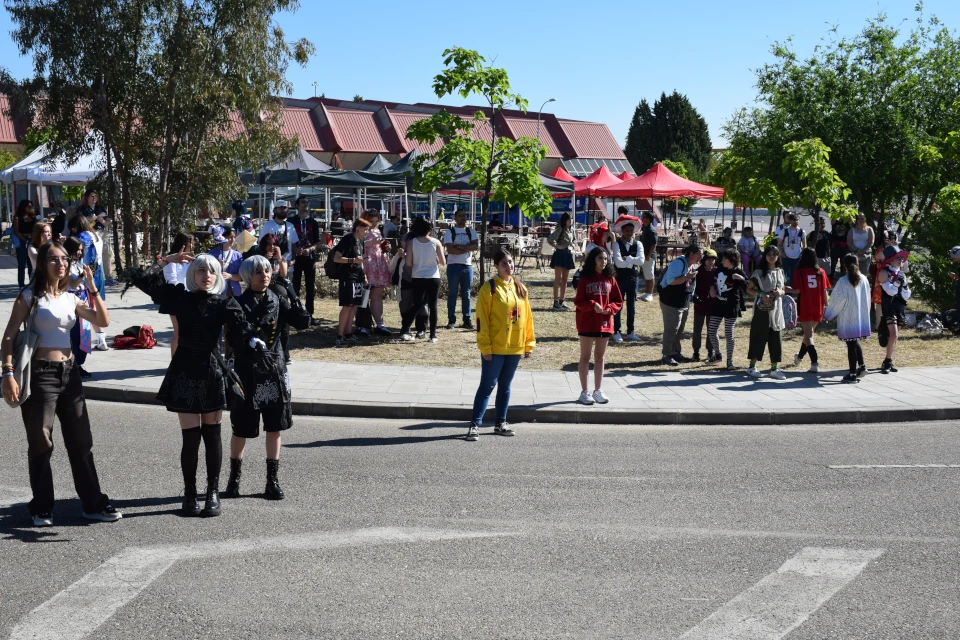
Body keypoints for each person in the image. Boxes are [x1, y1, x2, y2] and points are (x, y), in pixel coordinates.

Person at [1, 241, 120, 526]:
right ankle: (42, 506)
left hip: (70, 374)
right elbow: (8, 337)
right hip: (40, 374)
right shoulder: (30, 297)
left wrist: (92, 288)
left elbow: (102, 320)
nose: (61, 264)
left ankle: (93, 504)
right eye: (54, 260)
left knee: (81, 442)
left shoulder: (70, 297)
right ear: (43, 264)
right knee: (41, 442)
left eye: (64, 259)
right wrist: (7, 373)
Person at [131, 251, 249, 517]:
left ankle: (213, 493)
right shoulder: (179, 298)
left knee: (213, 435)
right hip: (184, 370)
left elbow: (243, 335)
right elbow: (142, 278)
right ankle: (189, 494)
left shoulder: (224, 304)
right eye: (200, 270)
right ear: (192, 274)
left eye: (211, 271)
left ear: (217, 275)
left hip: (211, 371)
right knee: (190, 439)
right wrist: (168, 259)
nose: (206, 276)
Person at [223, 255, 310, 500]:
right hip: (247, 373)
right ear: (249, 276)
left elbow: (304, 322)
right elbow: (234, 339)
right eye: (260, 272)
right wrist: (250, 343)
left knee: (275, 427)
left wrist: (293, 293)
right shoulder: (237, 303)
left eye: (268, 271)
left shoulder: (278, 299)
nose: (266, 276)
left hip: (274, 372)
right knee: (241, 429)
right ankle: (234, 481)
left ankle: (272, 481)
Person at [466, 250, 535, 441]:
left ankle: (501, 422)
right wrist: (485, 347)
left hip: (515, 347)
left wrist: (529, 343)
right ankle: (474, 425)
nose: (509, 266)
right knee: (487, 385)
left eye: (511, 262)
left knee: (505, 386)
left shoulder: (520, 288)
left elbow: (527, 318)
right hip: (495, 347)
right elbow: (482, 320)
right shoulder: (489, 288)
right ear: (496, 265)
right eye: (504, 263)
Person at [574, 247, 622, 405]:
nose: (604, 262)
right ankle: (584, 392)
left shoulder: (611, 278)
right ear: (593, 259)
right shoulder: (585, 278)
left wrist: (611, 309)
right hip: (587, 321)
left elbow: (618, 301)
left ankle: (598, 390)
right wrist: (592, 305)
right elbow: (579, 301)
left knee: (600, 357)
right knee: (585, 356)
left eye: (606, 259)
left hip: (605, 323)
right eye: (600, 258)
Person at [823, 254, 871, 383]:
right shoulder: (864, 279)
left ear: (844, 265)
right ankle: (862, 366)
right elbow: (868, 299)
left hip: (848, 317)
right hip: (861, 316)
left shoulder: (843, 281)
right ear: (858, 264)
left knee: (851, 344)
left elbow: (837, 301)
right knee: (854, 341)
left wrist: (828, 313)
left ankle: (852, 373)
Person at [66, 214, 108, 351]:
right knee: (94, 307)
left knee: (89, 310)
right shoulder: (94, 235)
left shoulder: (83, 237)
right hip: (98, 273)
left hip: (87, 275)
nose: (72, 232)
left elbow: (78, 252)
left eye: (72, 229)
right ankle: (101, 340)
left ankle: (99, 340)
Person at [400, 217, 445, 343]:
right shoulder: (436, 242)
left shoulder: (411, 242)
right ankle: (433, 335)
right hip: (433, 276)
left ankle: (405, 328)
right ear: (429, 229)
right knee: (433, 305)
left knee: (417, 304)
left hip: (418, 276)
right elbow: (443, 262)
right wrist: (434, 258)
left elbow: (408, 263)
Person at [746, 246, 787, 379]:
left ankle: (774, 368)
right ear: (765, 256)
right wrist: (761, 294)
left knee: (776, 338)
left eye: (775, 254)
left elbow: (783, 288)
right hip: (762, 310)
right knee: (759, 336)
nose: (772, 256)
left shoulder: (780, 271)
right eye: (769, 254)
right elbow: (749, 289)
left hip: (776, 310)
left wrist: (780, 292)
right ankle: (752, 367)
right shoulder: (758, 272)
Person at [659, 244, 702, 366]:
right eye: (699, 254)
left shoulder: (692, 266)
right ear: (692, 254)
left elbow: (690, 286)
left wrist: (693, 297)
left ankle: (675, 353)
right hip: (670, 302)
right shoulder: (678, 264)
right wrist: (686, 277)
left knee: (679, 330)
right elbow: (670, 281)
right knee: (671, 330)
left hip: (683, 302)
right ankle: (666, 355)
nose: (701, 256)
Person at [332, 219, 370, 347]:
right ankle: (340, 335)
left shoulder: (361, 241)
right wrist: (352, 260)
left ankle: (348, 333)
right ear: (358, 228)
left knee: (354, 306)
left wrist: (364, 275)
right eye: (365, 229)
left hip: (358, 277)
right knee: (347, 305)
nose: (367, 232)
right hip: (347, 277)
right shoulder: (347, 239)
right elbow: (336, 258)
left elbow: (361, 259)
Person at [790, 248, 829, 373]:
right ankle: (799, 357)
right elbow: (825, 291)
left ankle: (814, 362)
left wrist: (786, 289)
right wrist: (826, 306)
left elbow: (797, 290)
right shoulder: (821, 272)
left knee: (809, 335)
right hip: (818, 306)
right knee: (808, 334)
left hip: (805, 305)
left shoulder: (800, 272)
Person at [708, 250, 747, 370]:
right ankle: (717, 354)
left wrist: (741, 279)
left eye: (725, 258)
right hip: (718, 304)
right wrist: (712, 288)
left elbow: (749, 287)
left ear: (732, 260)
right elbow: (714, 281)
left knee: (729, 333)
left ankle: (730, 362)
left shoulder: (738, 272)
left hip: (731, 305)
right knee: (711, 330)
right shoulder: (720, 268)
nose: (722, 260)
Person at [356, 209, 392, 336]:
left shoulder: (378, 230)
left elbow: (380, 246)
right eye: (372, 221)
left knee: (377, 297)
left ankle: (380, 324)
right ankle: (362, 325)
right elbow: (355, 244)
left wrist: (386, 247)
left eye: (377, 221)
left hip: (378, 265)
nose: (374, 224)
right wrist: (371, 243)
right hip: (366, 264)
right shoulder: (359, 229)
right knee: (364, 296)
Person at [62, 237, 94, 379]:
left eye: (81, 250)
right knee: (75, 336)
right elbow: (73, 284)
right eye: (78, 250)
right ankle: (73, 366)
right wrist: (82, 275)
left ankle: (79, 364)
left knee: (84, 334)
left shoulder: (77, 263)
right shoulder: (65, 264)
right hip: (72, 302)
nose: (80, 252)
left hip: (83, 300)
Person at [877, 245, 911, 374]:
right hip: (889, 307)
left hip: (900, 307)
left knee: (895, 336)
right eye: (898, 258)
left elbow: (906, 295)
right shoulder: (884, 272)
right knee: (894, 334)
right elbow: (890, 292)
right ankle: (887, 361)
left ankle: (888, 360)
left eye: (902, 259)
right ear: (891, 260)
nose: (901, 261)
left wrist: (905, 286)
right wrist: (897, 283)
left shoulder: (901, 274)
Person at [443, 208, 479, 330]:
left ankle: (467, 319)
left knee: (467, 294)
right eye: (460, 216)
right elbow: (450, 250)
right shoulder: (449, 232)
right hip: (453, 266)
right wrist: (467, 248)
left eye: (464, 216)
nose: (463, 218)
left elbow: (475, 246)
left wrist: (460, 247)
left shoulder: (471, 231)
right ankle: (451, 320)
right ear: (455, 218)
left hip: (467, 266)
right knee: (452, 293)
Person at [611, 216, 645, 342]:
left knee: (632, 305)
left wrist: (628, 259)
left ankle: (630, 331)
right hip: (619, 278)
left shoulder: (638, 244)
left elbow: (641, 261)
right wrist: (632, 261)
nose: (629, 233)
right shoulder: (616, 244)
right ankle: (616, 331)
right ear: (622, 231)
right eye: (627, 230)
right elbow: (618, 263)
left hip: (632, 278)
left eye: (631, 231)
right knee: (618, 305)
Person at [291, 196, 322, 326]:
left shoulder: (313, 222)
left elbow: (318, 242)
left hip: (309, 258)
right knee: (294, 287)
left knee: (310, 287)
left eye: (307, 203)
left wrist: (311, 249)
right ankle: (295, 315)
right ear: (297, 205)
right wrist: (295, 249)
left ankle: (309, 315)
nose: (305, 205)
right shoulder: (291, 221)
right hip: (296, 259)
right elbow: (287, 238)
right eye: (302, 203)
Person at [75, 189, 115, 284]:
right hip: (88, 234)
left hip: (101, 233)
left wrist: (103, 221)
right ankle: (87, 275)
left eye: (96, 196)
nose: (94, 198)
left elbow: (108, 221)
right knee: (91, 254)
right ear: (86, 197)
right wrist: (88, 218)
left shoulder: (100, 208)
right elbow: (77, 220)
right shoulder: (82, 209)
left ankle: (108, 276)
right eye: (92, 196)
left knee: (106, 253)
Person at [691, 249, 718, 361]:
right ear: (704, 260)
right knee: (697, 329)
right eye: (708, 259)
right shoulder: (698, 271)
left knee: (711, 330)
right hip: (700, 305)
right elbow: (692, 288)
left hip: (713, 305)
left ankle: (710, 351)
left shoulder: (717, 271)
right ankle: (696, 352)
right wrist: (695, 298)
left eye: (713, 259)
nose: (711, 261)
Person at [547, 213, 576, 311]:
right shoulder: (561, 229)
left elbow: (574, 241)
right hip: (559, 254)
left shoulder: (572, 230)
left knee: (565, 280)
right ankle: (555, 302)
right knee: (558, 279)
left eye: (571, 219)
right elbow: (550, 238)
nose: (570, 221)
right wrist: (557, 246)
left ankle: (562, 300)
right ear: (564, 220)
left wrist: (575, 246)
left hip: (567, 254)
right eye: (569, 219)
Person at [208, 226, 243, 298]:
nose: (233, 240)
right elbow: (207, 274)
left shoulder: (238, 256)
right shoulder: (212, 254)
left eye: (234, 237)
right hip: (217, 291)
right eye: (230, 237)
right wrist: (217, 267)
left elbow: (241, 277)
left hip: (234, 292)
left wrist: (230, 276)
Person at [261, 201, 299, 265]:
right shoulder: (267, 226)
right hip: (271, 264)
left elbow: (293, 246)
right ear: (275, 210)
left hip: (287, 264)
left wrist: (293, 261)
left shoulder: (290, 226)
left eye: (285, 208)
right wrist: (265, 257)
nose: (283, 210)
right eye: (280, 208)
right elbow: (261, 244)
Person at [13, 199, 36, 288]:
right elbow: (16, 232)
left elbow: (35, 229)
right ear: (23, 207)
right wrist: (25, 239)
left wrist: (32, 239)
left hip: (31, 240)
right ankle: (21, 285)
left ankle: (31, 283)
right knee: (22, 265)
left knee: (31, 264)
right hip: (22, 241)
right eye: (29, 207)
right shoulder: (17, 217)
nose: (30, 208)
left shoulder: (32, 217)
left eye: (31, 206)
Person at [777, 212, 806, 283]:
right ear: (789, 221)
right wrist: (783, 255)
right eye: (793, 220)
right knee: (785, 276)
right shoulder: (784, 231)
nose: (795, 222)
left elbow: (805, 245)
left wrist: (801, 254)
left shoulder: (802, 231)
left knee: (795, 276)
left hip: (797, 257)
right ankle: (785, 291)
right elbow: (778, 245)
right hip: (786, 257)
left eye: (796, 220)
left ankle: (793, 291)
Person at [639, 211, 658, 302]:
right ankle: (647, 293)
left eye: (644, 217)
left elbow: (653, 244)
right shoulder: (645, 228)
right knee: (646, 275)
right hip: (644, 255)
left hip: (649, 256)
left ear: (649, 219)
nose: (642, 219)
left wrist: (649, 255)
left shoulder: (651, 230)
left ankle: (650, 294)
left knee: (650, 275)